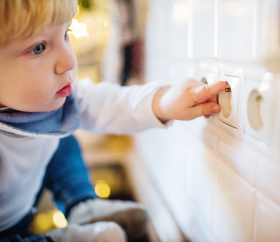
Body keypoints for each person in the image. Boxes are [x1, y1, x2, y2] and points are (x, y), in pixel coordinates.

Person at [0, 0, 229, 242]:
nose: (69, 61)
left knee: (62, 135)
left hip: (24, 208)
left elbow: (107, 103)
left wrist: (162, 102)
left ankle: (82, 205)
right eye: (38, 48)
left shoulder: (51, 99)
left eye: (65, 34)